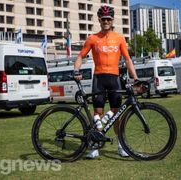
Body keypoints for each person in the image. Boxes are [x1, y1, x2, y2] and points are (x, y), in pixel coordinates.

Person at [74, 5, 139, 159]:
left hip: (115, 78)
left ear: (112, 20)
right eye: (103, 19)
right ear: (99, 20)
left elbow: (128, 60)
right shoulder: (92, 38)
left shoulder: (119, 38)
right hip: (99, 78)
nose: (106, 21)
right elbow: (80, 56)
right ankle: (95, 145)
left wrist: (135, 77)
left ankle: (120, 146)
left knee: (117, 115)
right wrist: (76, 71)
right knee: (98, 113)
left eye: (108, 19)